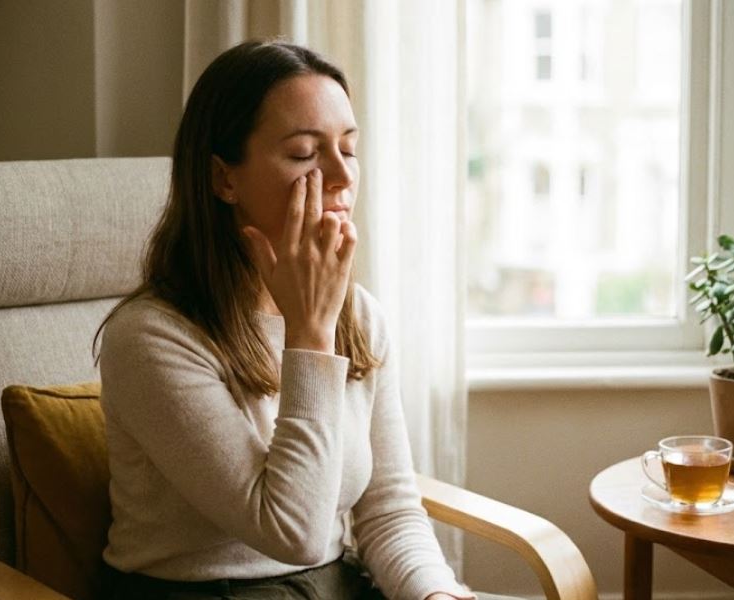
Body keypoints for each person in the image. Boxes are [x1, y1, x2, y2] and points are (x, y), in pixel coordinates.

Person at [96, 40, 475, 600]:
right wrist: (310, 336)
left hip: (337, 585)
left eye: (349, 148)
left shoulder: (358, 313)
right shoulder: (150, 337)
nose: (342, 177)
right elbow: (291, 532)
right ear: (224, 180)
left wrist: (437, 595)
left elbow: (388, 510)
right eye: (304, 154)